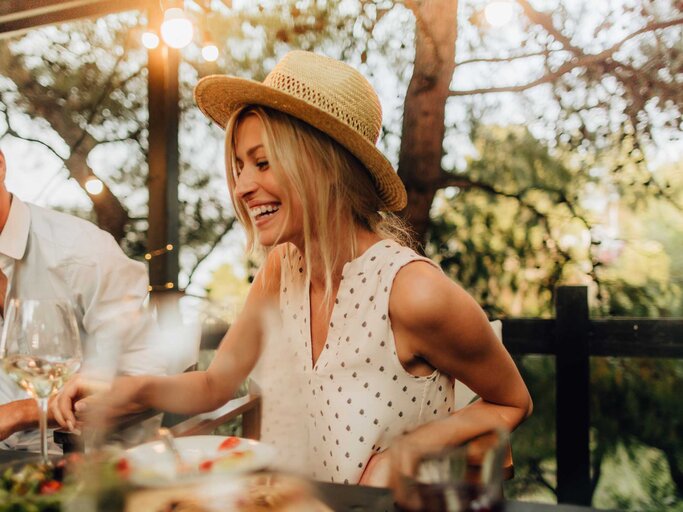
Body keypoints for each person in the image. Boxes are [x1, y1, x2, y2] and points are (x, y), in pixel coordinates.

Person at [53, 51, 532, 486]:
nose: (242, 187)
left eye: (262, 163)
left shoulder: (412, 291)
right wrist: (129, 387)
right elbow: (214, 385)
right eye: (240, 167)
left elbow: (512, 401)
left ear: (324, 165)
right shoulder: (282, 268)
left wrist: (408, 452)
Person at [0, 147, 167, 452]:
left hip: (90, 465)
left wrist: (22, 412)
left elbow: (145, 378)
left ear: (0, 165)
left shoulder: (82, 253)